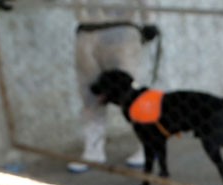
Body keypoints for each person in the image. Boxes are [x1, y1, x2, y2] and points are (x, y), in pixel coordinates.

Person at [67, 0, 159, 173]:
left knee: (132, 93)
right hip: (87, 32)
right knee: (90, 94)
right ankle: (93, 151)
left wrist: (149, 20)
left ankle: (148, 146)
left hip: (121, 32)